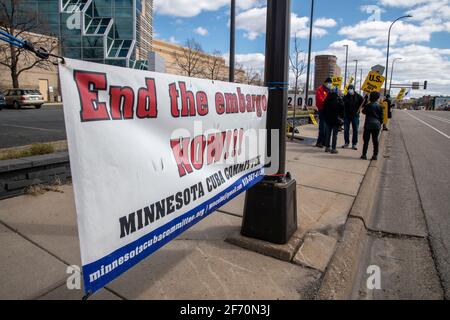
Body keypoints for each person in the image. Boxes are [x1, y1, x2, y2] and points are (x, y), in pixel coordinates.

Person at [361, 91, 383, 160]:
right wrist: (380, 124)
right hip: (377, 125)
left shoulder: (368, 105)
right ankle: (375, 155)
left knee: (366, 140)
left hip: (368, 124)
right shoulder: (380, 106)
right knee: (375, 140)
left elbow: (363, 111)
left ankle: (364, 154)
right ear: (377, 98)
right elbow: (381, 117)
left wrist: (365, 102)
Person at [323, 87, 344, 154]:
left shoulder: (327, 99)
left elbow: (324, 110)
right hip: (336, 120)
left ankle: (327, 147)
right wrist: (341, 118)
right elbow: (342, 110)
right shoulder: (339, 100)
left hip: (328, 120)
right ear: (337, 92)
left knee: (328, 134)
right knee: (335, 135)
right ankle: (333, 149)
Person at [342, 84, 364, 150]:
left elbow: (363, 103)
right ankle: (346, 142)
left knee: (355, 130)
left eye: (351, 89)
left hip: (355, 116)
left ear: (354, 89)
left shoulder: (359, 97)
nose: (350, 90)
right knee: (346, 130)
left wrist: (366, 98)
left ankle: (354, 144)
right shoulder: (345, 97)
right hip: (347, 116)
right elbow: (342, 106)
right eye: (349, 89)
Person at [315, 77, 332, 148]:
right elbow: (320, 100)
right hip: (322, 110)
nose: (330, 84)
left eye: (330, 83)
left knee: (326, 127)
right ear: (325, 83)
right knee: (322, 126)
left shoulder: (329, 90)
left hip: (327, 110)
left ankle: (324, 142)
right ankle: (319, 142)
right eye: (329, 83)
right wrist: (327, 102)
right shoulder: (320, 89)